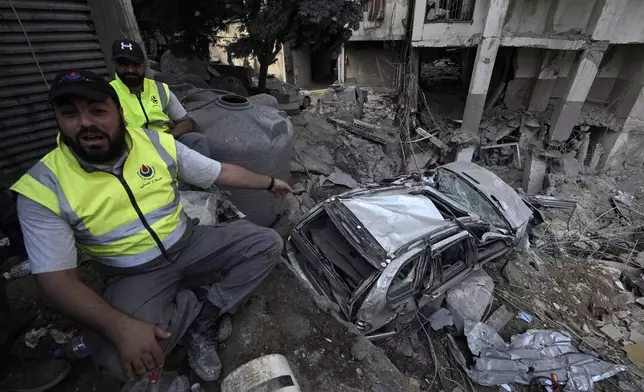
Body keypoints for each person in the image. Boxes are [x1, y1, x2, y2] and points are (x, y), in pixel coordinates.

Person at [11, 70, 292, 383]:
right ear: (58, 120)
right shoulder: (43, 186)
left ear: (119, 112)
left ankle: (206, 316)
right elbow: (56, 280)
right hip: (133, 273)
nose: (86, 123)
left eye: (98, 111)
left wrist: (269, 183)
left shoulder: (155, 143)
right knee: (123, 364)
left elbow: (218, 172)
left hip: (188, 241)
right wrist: (120, 327)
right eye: (69, 114)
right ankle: (190, 303)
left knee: (266, 244)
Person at [110, 39, 210, 157]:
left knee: (197, 140)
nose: (130, 69)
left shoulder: (160, 89)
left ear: (145, 65)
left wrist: (166, 138)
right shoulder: (108, 93)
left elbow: (185, 122)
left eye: (135, 64)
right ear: (115, 65)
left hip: (165, 141)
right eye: (123, 64)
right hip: (134, 149)